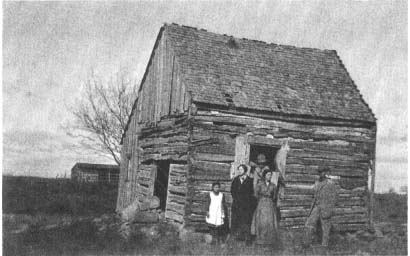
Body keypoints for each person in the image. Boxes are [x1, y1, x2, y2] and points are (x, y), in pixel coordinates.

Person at [303, 166, 339, 248]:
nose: (321, 174)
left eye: (323, 172)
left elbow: (334, 198)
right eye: (319, 172)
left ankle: (324, 246)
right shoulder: (317, 183)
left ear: (326, 173)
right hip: (316, 207)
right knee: (309, 223)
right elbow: (314, 195)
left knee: (325, 228)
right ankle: (306, 243)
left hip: (325, 208)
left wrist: (330, 209)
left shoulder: (330, 184)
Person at [251, 168, 278, 246]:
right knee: (261, 221)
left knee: (269, 222)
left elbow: (274, 196)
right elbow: (256, 194)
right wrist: (261, 200)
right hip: (261, 204)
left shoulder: (273, 186)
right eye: (268, 175)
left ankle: (269, 240)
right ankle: (260, 240)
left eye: (271, 175)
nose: (270, 176)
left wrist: (270, 200)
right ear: (265, 175)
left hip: (269, 205)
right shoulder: (260, 184)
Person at [230, 164, 254, 244]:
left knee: (246, 220)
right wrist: (236, 199)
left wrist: (247, 201)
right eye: (239, 169)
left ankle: (246, 238)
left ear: (245, 171)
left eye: (241, 169)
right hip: (237, 204)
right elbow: (232, 191)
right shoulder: (236, 179)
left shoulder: (250, 180)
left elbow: (251, 192)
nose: (239, 171)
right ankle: (237, 237)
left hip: (246, 204)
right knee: (236, 220)